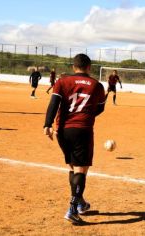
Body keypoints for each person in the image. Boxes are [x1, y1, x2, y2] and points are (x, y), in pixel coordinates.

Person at [43, 54, 106, 224]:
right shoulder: (97, 85)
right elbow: (100, 109)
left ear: (73, 67)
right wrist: (85, 113)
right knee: (81, 170)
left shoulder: (62, 82)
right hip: (82, 130)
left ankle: (80, 203)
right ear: (89, 67)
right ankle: (72, 209)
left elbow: (54, 103)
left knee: (73, 166)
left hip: (62, 130)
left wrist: (47, 124)